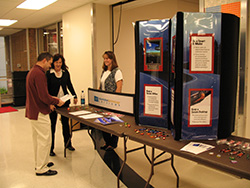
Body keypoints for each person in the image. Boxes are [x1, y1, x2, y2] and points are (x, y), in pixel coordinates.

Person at [25, 52, 65, 176]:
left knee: (38, 140)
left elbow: (39, 94)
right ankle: (41, 168)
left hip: (33, 111)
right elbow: (43, 96)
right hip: (39, 112)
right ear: (44, 60)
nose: (50, 65)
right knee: (44, 140)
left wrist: (50, 99)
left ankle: (41, 163)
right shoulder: (39, 74)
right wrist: (56, 100)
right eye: (49, 62)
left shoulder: (32, 71)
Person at [46, 54, 78, 156]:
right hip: (53, 103)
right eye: (56, 62)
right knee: (52, 126)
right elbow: (46, 89)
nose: (58, 64)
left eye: (60, 62)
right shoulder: (49, 74)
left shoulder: (65, 73)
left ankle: (68, 144)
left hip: (64, 102)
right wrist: (49, 102)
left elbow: (69, 84)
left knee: (65, 124)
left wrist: (75, 95)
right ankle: (51, 148)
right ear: (53, 63)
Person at [99, 51, 123, 151]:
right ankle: (107, 142)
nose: (105, 60)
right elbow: (101, 86)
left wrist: (115, 100)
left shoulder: (117, 71)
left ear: (112, 59)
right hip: (103, 101)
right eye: (104, 58)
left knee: (113, 122)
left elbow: (119, 87)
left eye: (107, 58)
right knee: (104, 122)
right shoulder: (104, 71)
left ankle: (113, 144)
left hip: (113, 101)